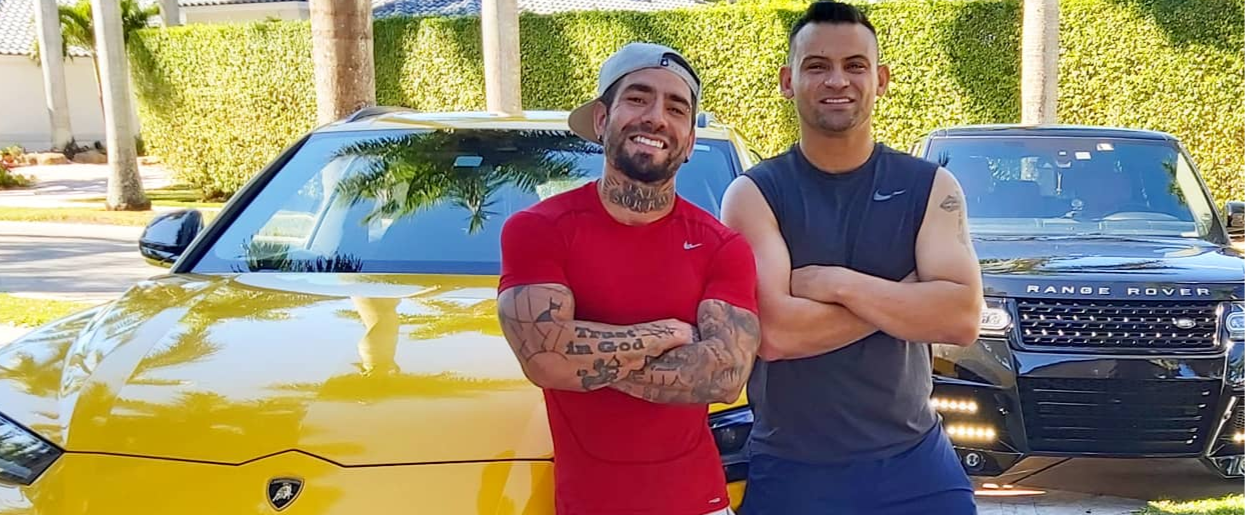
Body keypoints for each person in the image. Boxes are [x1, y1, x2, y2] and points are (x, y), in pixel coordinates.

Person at [719, 2, 984, 514]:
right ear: (788, 82)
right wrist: (906, 299)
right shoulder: (754, 194)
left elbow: (960, 318)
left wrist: (837, 284)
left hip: (916, 463)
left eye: (855, 65)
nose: (837, 80)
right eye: (817, 66)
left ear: (880, 80)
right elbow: (777, 334)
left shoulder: (930, 187)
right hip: (794, 470)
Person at [496, 42, 762, 515]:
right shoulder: (539, 230)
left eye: (676, 108)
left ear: (689, 140)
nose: (656, 118)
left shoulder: (721, 246)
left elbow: (724, 376)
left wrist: (578, 358)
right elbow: (544, 360)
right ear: (602, 119)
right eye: (638, 98)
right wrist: (666, 335)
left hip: (699, 503)